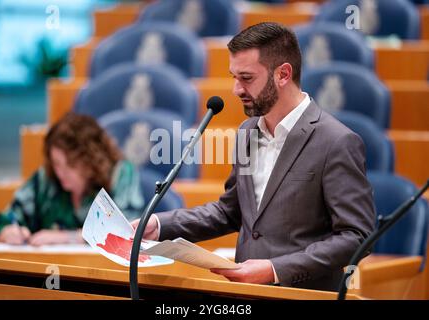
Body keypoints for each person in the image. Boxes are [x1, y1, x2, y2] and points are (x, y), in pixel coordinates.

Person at [132, 22, 376, 291]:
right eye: (234, 77)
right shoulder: (247, 132)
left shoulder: (336, 141)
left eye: (246, 78)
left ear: (283, 74)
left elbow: (357, 236)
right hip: (246, 295)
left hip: (303, 296)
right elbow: (231, 212)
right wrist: (160, 225)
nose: (236, 89)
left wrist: (274, 269)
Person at [0, 113, 144, 246]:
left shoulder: (120, 172)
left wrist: (66, 238)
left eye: (70, 164)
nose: (61, 172)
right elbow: (3, 221)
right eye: (56, 163)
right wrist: (7, 231)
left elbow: (127, 231)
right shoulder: (47, 178)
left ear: (92, 161)